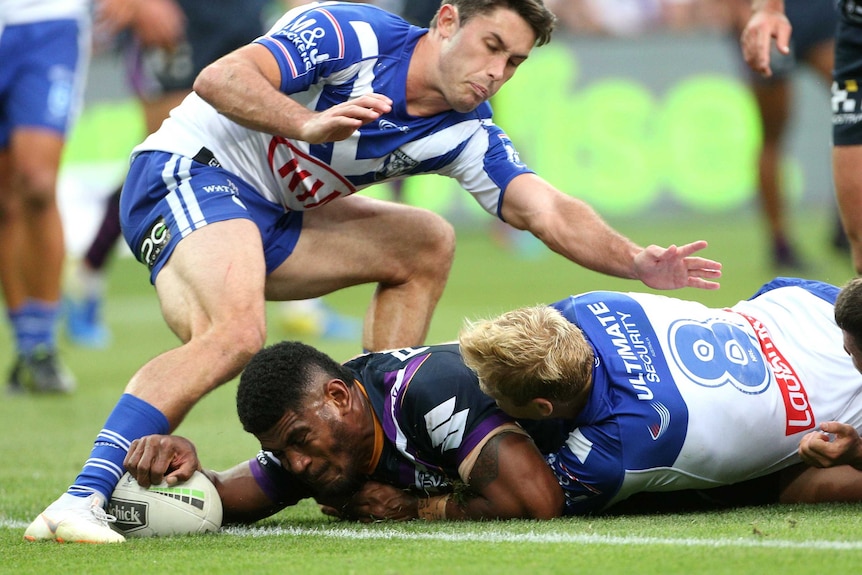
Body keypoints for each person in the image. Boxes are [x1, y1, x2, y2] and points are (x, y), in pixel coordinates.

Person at [24, 0, 722, 544]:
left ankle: (372, 438)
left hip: (271, 218)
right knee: (236, 331)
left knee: (424, 241)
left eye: (513, 63)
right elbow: (220, 78)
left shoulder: (465, 128)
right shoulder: (350, 35)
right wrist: (306, 123)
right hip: (187, 172)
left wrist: (636, 259)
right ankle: (80, 497)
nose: (495, 73)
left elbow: (545, 208)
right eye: (490, 46)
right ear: (447, 20)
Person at [458, 277, 862, 514]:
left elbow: (532, 500)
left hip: (786, 314)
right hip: (796, 315)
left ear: (542, 406)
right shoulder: (584, 308)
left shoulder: (613, 446)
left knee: (811, 486)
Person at [124, 340, 565, 524]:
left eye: (298, 440)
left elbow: (537, 501)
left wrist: (415, 509)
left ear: (338, 396)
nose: (296, 463)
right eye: (280, 451)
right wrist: (177, 466)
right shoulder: (305, 447)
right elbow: (218, 498)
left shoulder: (425, 391)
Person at [0, 0, 92, 394]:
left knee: (37, 182)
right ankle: (29, 348)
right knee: (4, 199)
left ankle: (43, 347)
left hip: (48, 19)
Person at [741, 1, 862, 272]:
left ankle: (845, 224)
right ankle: (779, 243)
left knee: (853, 113)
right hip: (776, 14)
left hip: (823, 14)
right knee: (773, 134)